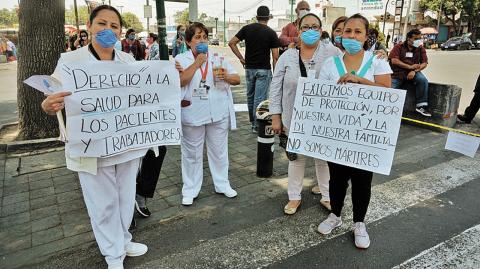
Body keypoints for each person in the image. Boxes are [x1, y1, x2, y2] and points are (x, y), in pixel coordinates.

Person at [40, 6, 148, 268]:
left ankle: (123, 240)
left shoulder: (128, 61)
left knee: (125, 196)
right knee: (102, 203)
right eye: (102, 23)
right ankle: (112, 255)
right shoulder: (70, 62)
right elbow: (51, 96)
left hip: (125, 142)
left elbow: (144, 95)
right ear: (89, 27)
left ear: (120, 31)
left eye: (114, 25)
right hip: (90, 145)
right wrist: (49, 105)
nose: (108, 30)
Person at [317, 14, 392, 249]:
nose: (351, 36)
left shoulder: (377, 61)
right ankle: (335, 216)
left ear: (366, 35)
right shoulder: (330, 64)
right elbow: (319, 97)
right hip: (337, 135)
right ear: (341, 34)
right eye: (347, 31)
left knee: (362, 181)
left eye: (357, 32)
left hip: (365, 136)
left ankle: (359, 223)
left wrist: (360, 81)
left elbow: (388, 92)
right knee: (337, 179)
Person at [270, 13, 340, 215]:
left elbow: (352, 65)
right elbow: (276, 87)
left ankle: (327, 197)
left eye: (315, 27)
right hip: (293, 117)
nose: (310, 31)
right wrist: (276, 116)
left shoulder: (332, 52)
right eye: (306, 27)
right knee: (296, 159)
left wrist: (377, 56)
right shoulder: (287, 56)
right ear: (298, 31)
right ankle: (294, 197)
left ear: (321, 30)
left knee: (323, 159)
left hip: (323, 119)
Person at [175, 22, 241, 206]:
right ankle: (190, 189)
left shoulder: (218, 57)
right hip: (192, 114)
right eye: (197, 37)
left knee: (219, 152)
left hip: (218, 112)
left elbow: (236, 79)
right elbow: (180, 81)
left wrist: (226, 76)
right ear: (188, 42)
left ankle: (222, 184)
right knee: (191, 154)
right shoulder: (180, 59)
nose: (202, 40)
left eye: (204, 36)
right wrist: (197, 63)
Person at [229, 6, 280, 133]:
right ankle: (257, 125)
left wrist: (241, 58)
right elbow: (275, 57)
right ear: (268, 18)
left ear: (257, 17)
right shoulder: (271, 33)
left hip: (249, 68)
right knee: (260, 98)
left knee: (250, 97)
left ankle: (253, 123)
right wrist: (276, 75)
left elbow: (231, 43)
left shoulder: (247, 28)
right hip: (264, 70)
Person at [389, 29, 431, 117]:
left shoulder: (420, 48)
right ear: (408, 38)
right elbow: (394, 61)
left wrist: (414, 71)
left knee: (422, 80)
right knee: (389, 90)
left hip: (413, 72)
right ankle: (387, 109)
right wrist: (409, 67)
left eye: (419, 39)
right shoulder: (398, 47)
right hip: (398, 73)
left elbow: (424, 63)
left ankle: (421, 106)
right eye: (415, 39)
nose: (418, 41)